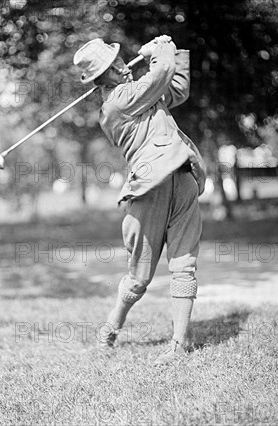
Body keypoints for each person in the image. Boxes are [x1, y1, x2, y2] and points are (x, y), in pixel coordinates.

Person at [73, 36, 206, 364]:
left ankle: (177, 344)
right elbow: (160, 74)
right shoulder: (117, 102)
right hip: (150, 188)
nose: (124, 67)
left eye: (120, 61)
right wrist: (156, 52)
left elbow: (177, 87)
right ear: (102, 79)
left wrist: (174, 50)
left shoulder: (141, 94)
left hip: (183, 176)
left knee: (185, 264)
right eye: (115, 66)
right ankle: (111, 326)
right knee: (139, 277)